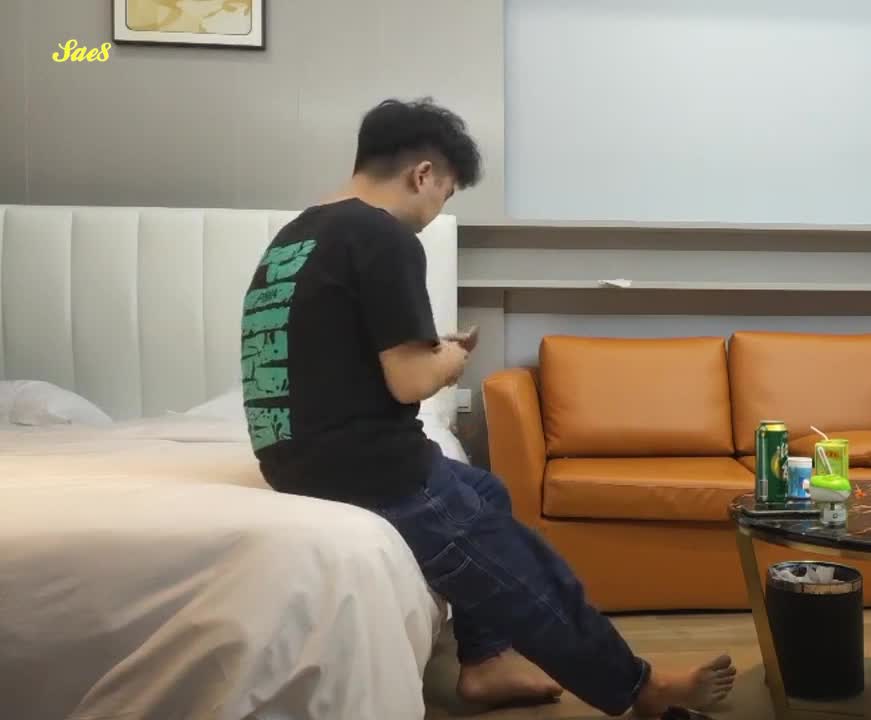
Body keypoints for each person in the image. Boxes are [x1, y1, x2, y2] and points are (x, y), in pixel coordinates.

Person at [239, 97, 736, 716]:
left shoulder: (296, 237)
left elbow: (336, 355)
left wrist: (426, 352)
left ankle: (486, 663)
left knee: (488, 490)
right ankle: (641, 689)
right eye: (445, 193)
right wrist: (451, 358)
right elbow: (410, 383)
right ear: (423, 174)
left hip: (293, 459)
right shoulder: (381, 235)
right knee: (526, 571)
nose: (436, 212)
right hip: (368, 471)